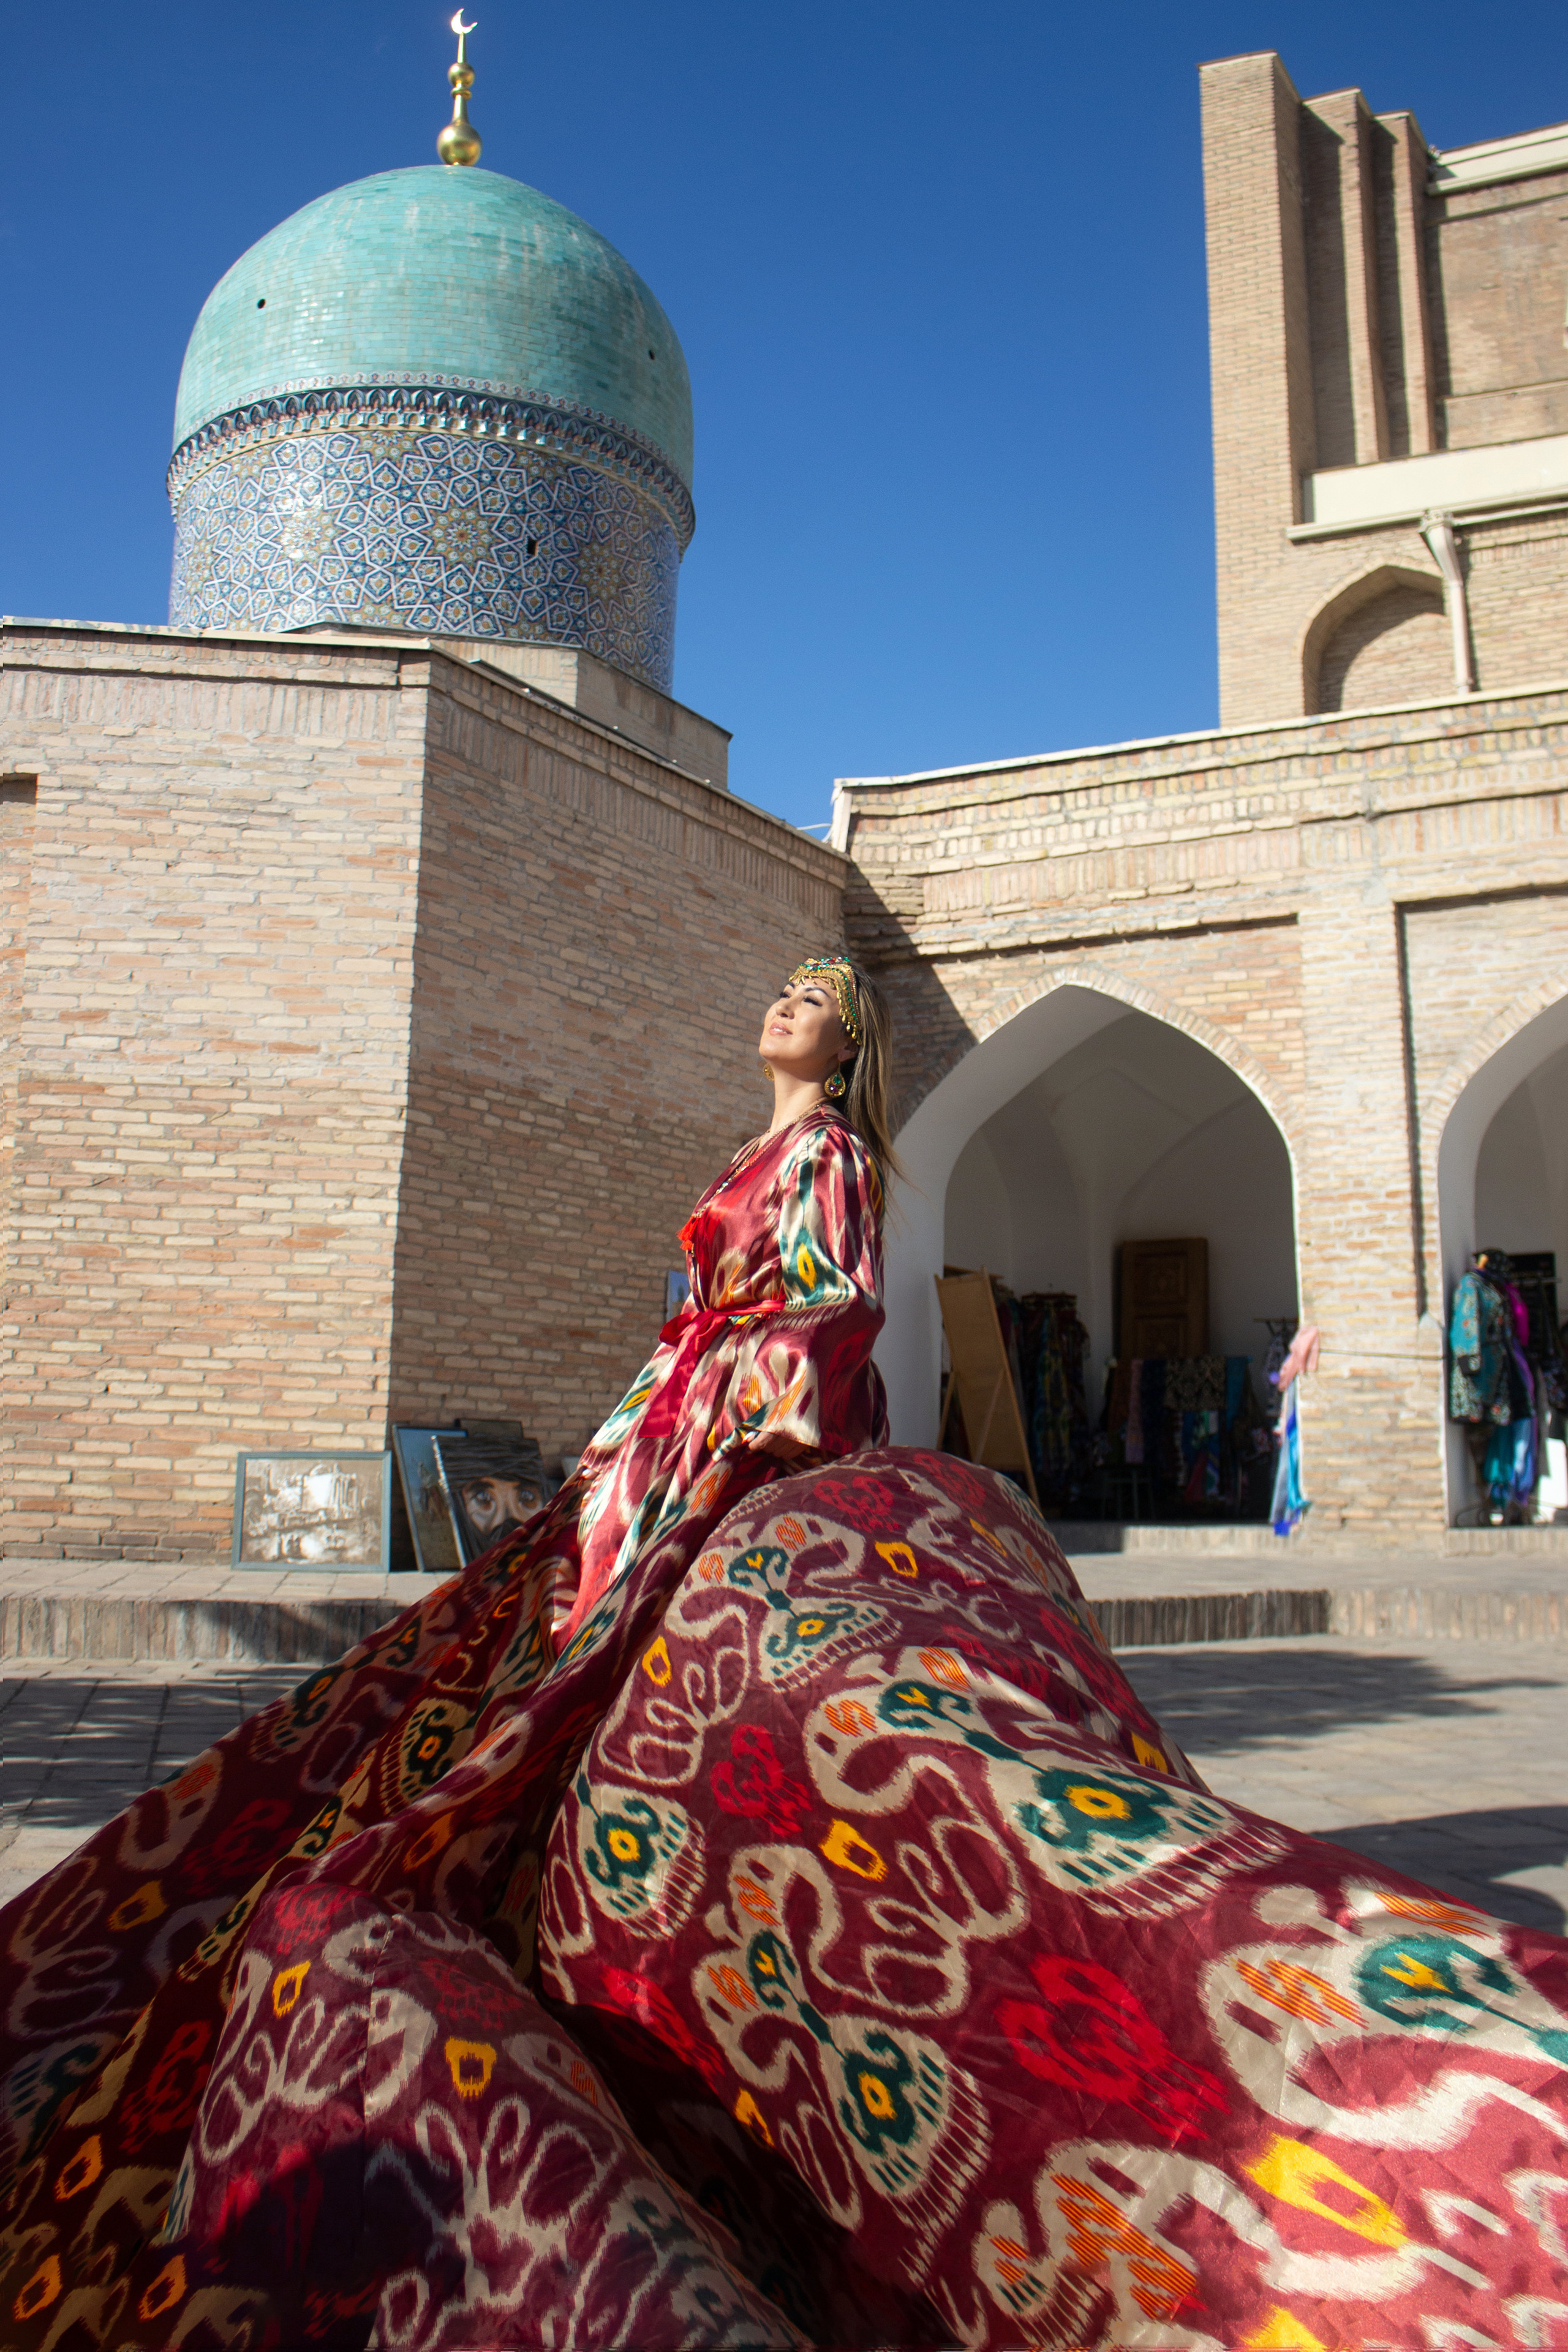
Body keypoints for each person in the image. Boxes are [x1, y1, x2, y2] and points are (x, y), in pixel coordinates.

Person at [0, 952, 901, 2343]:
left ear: (848, 1045)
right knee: (541, 1655)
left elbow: (829, 1303)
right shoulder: (758, 1146)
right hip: (664, 1424)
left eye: (818, 996)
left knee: (591, 1661)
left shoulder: (828, 1152)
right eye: (784, 986)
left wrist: (743, 1432)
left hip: (713, 1433)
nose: (788, 1003)